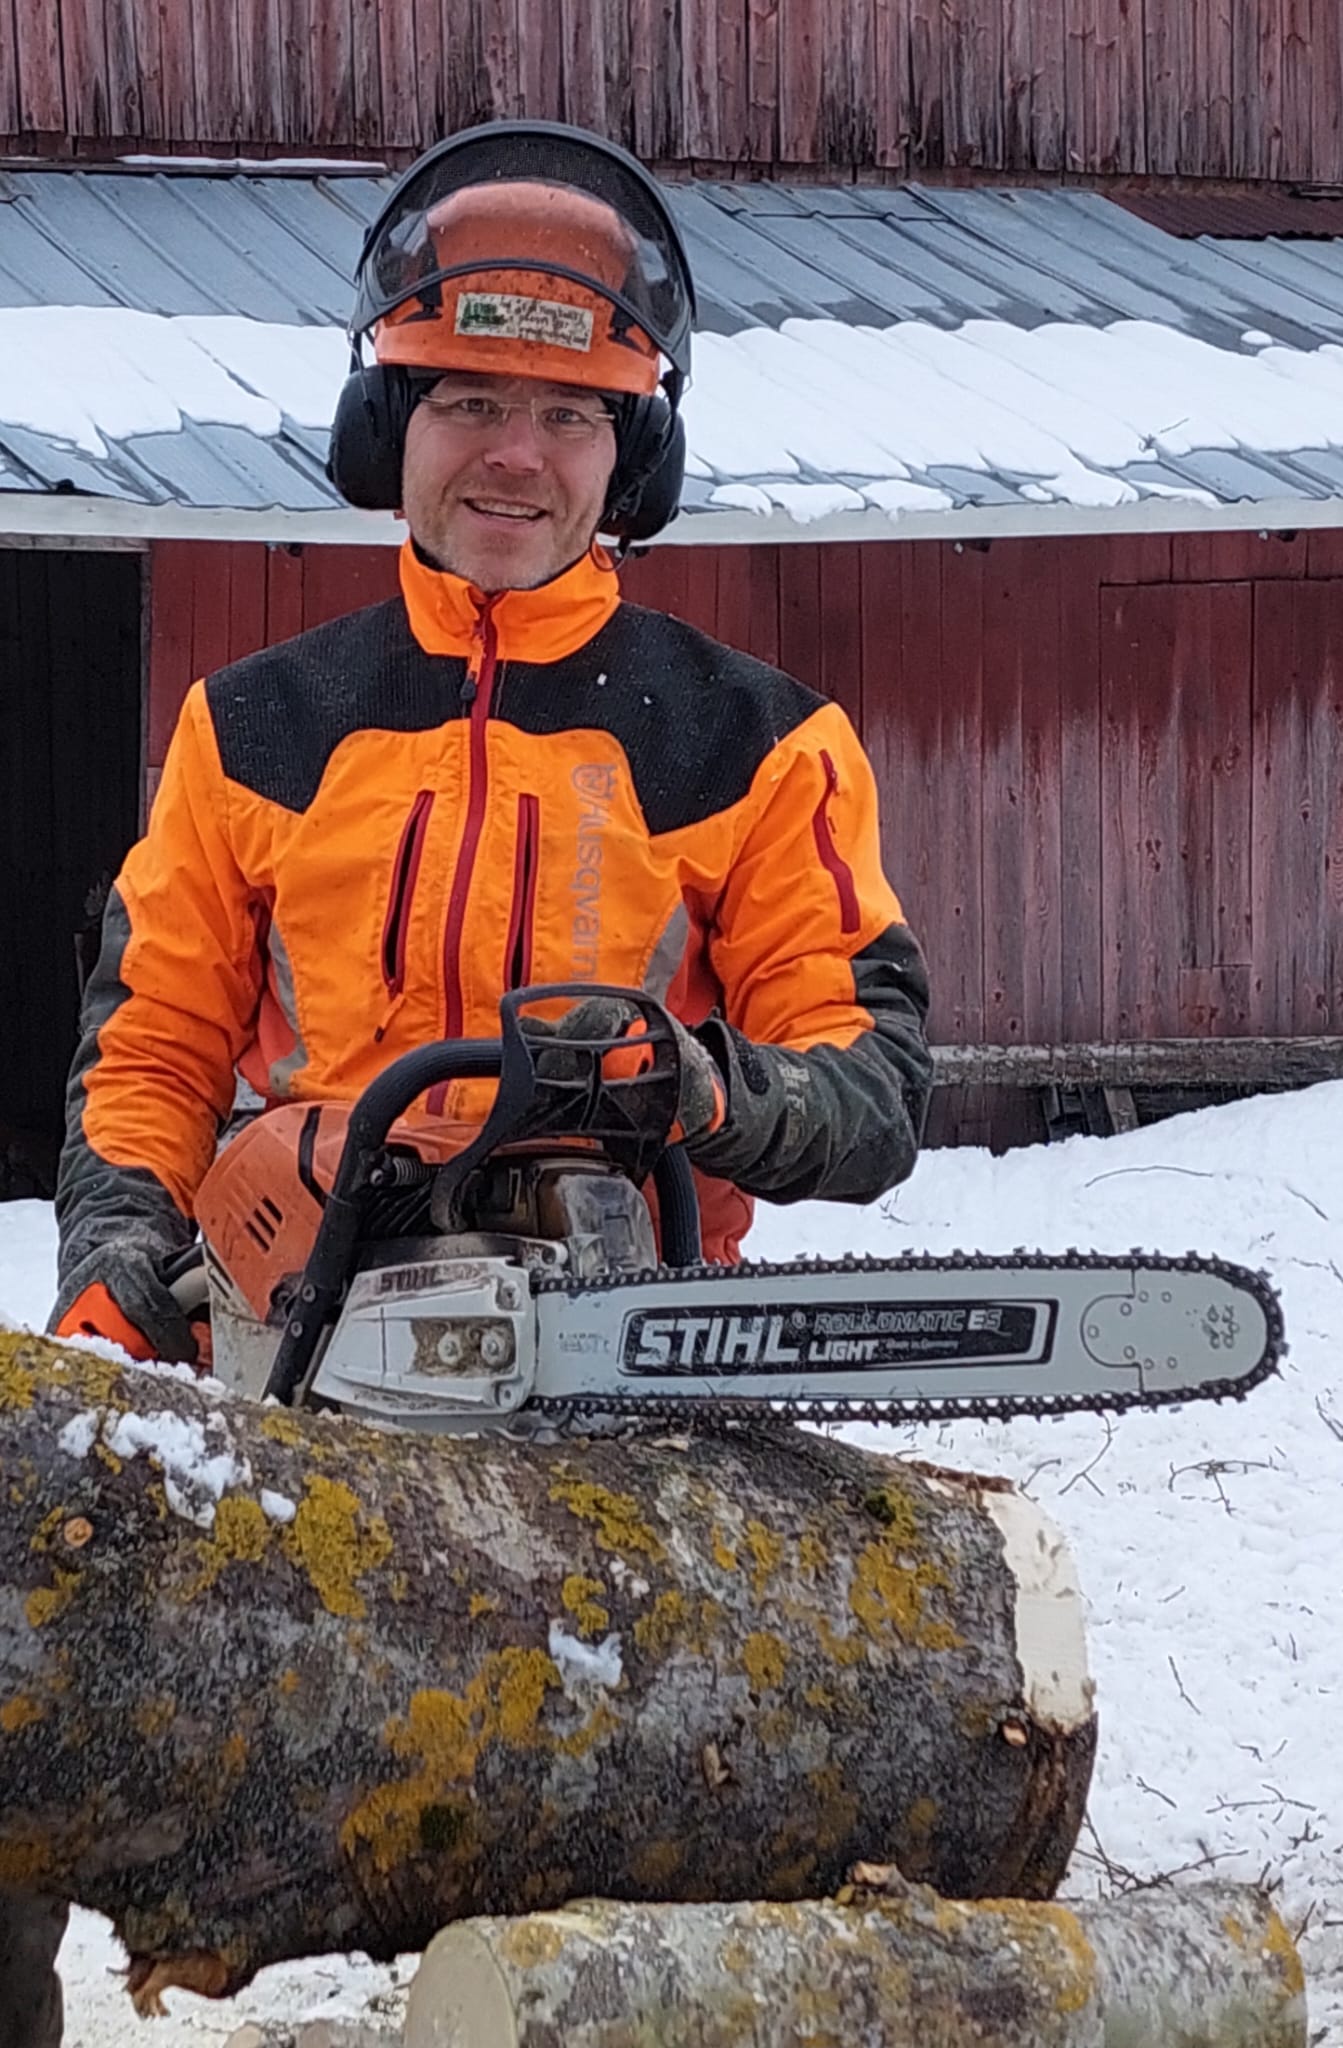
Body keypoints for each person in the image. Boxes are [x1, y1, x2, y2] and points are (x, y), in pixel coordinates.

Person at [18, 121, 931, 2046]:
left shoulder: (760, 743)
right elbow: (154, 1042)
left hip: (616, 1368)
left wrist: (695, 1091)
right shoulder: (255, 726)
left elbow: (869, 1083)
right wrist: (114, 1270)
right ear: (389, 426)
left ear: (632, 452)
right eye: (466, 402)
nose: (514, 455)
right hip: (299, 1336)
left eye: (569, 415)